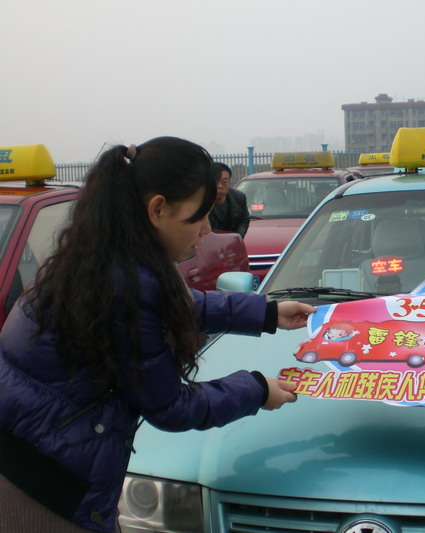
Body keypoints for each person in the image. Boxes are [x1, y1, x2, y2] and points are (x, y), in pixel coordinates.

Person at [0, 137, 315, 532]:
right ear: (158, 209)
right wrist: (256, 389)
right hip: (46, 488)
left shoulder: (105, 256)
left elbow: (180, 306)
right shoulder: (124, 282)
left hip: (30, 456)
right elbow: (170, 406)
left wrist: (266, 312)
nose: (206, 230)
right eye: (198, 217)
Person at [208, 162, 249, 238]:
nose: (220, 186)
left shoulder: (239, 198)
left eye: (224, 182)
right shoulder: (201, 201)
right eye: (216, 182)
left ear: (229, 182)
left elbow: (244, 220)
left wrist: (236, 237)